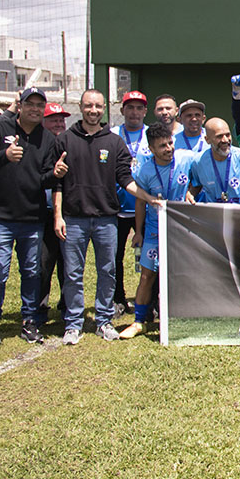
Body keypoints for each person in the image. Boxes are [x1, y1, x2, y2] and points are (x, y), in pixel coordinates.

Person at [54, 89, 164, 345]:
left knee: (107, 271)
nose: (93, 110)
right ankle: (73, 323)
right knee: (72, 273)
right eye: (89, 106)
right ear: (81, 107)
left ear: (105, 108)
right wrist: (58, 215)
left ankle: (103, 320)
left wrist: (148, 197)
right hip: (73, 219)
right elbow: (57, 182)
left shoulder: (113, 142)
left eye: (98, 106)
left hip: (106, 219)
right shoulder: (65, 140)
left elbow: (125, 179)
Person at [0, 87, 62, 353]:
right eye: (30, 104)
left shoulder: (47, 139)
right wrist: (4, 156)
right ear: (20, 106)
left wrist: (55, 173)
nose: (35, 109)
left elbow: (44, 178)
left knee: (32, 272)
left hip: (32, 217)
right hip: (0, 216)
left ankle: (29, 321)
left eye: (39, 105)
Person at [120, 122, 197, 339]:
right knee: (147, 275)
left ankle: (180, 318)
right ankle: (139, 321)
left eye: (170, 143)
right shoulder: (144, 171)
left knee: (181, 274)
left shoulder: (186, 158)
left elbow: (199, 177)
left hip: (181, 228)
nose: (169, 149)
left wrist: (191, 190)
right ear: (151, 149)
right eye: (162, 146)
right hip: (155, 229)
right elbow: (139, 202)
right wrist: (139, 231)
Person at [113, 90, 151, 317]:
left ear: (145, 111)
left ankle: (151, 300)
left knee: (149, 257)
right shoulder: (113, 134)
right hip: (116, 208)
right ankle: (118, 298)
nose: (134, 112)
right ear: (122, 110)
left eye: (139, 108)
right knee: (113, 257)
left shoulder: (152, 135)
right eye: (130, 107)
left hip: (144, 208)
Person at [38, 103, 70, 321]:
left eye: (61, 120)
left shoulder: (67, 145)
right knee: (43, 263)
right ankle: (40, 307)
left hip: (67, 214)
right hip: (42, 214)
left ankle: (66, 304)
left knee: (68, 264)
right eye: (53, 120)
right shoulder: (37, 144)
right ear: (43, 121)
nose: (58, 124)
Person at [190, 118, 240, 206]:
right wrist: (190, 194)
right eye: (219, 136)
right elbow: (197, 185)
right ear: (207, 140)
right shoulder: (199, 162)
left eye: (228, 135)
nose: (225, 140)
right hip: (214, 215)